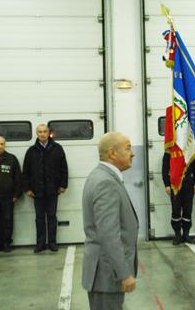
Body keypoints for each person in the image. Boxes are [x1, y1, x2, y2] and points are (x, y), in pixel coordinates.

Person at [82, 132, 138, 310]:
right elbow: (108, 234)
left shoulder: (101, 176)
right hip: (107, 274)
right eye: (128, 148)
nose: (133, 153)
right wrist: (124, 273)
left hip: (105, 272)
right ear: (112, 153)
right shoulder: (106, 182)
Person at [22, 124, 68, 253]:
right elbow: (26, 171)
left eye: (44, 131)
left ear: (49, 133)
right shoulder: (31, 151)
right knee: (40, 217)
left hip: (53, 190)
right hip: (37, 191)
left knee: (52, 216)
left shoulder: (57, 149)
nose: (42, 134)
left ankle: (52, 243)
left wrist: (63, 185)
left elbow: (63, 168)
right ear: (36, 134)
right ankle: (40, 243)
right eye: (40, 132)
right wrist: (27, 189)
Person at [162, 149, 195, 245]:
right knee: (176, 209)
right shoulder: (170, 150)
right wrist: (167, 184)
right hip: (175, 184)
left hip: (188, 183)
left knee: (188, 209)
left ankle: (186, 235)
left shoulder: (191, 149)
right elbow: (165, 168)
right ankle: (177, 235)